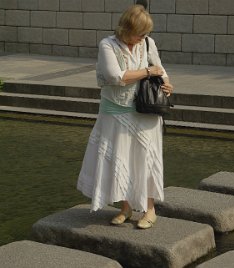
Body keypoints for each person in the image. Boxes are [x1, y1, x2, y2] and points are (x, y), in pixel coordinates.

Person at [77, 4, 174, 229]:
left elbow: (160, 68)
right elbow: (115, 77)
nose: (143, 38)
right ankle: (126, 207)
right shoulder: (107, 45)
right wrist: (149, 72)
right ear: (125, 29)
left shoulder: (148, 43)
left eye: (145, 34)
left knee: (145, 160)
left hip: (145, 111)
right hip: (114, 111)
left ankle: (150, 210)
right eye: (139, 33)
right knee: (119, 159)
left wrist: (167, 83)